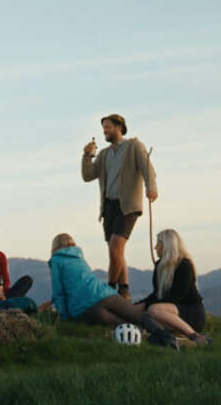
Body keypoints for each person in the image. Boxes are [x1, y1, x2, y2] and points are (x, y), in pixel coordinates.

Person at [42, 233, 177, 347]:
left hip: (87, 308)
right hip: (105, 294)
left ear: (54, 247)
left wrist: (65, 318)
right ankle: (168, 338)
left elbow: (59, 293)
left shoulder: (56, 261)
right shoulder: (80, 258)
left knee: (123, 325)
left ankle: (144, 339)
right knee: (138, 316)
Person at [81, 113, 157, 301]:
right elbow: (88, 175)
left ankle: (110, 288)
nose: (104, 131)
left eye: (107, 127)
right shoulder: (104, 154)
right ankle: (124, 290)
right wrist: (87, 155)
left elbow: (148, 168)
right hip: (109, 206)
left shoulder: (133, 146)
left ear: (119, 127)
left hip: (128, 205)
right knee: (116, 251)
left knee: (115, 247)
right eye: (103, 128)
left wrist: (151, 187)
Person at [133, 229, 209, 346]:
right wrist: (141, 304)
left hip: (191, 313)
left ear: (167, 245)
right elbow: (156, 294)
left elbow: (176, 298)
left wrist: (149, 307)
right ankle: (171, 339)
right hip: (170, 311)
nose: (155, 247)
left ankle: (195, 336)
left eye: (158, 243)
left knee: (154, 310)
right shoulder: (159, 265)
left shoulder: (184, 265)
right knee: (143, 316)